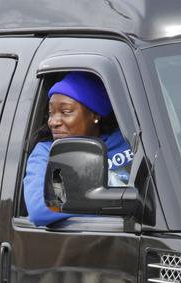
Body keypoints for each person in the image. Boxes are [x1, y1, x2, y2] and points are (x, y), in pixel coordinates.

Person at [24, 71, 133, 226]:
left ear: (95, 114)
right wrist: (112, 202)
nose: (53, 122)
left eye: (66, 112)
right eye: (51, 113)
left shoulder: (128, 141)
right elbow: (41, 208)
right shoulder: (46, 153)